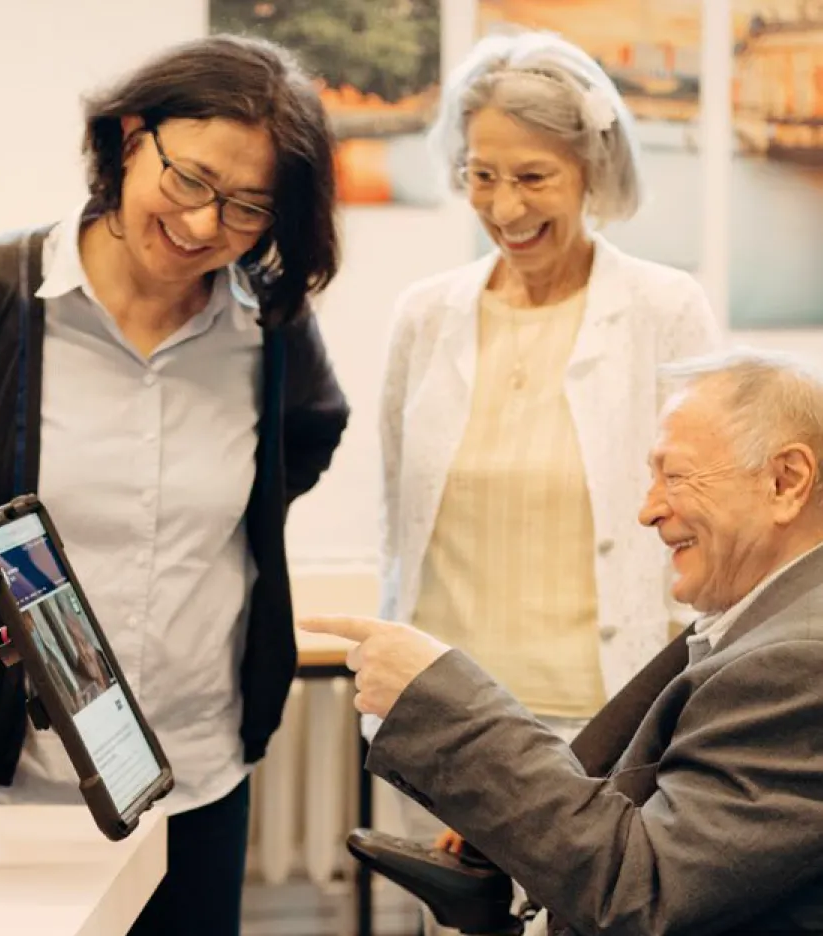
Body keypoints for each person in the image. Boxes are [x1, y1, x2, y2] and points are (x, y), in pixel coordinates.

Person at [0, 34, 348, 936]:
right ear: (131, 137)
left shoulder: (269, 326)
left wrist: (226, 529)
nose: (207, 226)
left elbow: (311, 433)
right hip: (7, 780)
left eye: (250, 207)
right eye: (190, 180)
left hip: (198, 774)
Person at [308, 349, 823, 935]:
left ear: (786, 480)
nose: (648, 510)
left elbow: (644, 892)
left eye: (675, 476)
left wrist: (442, 703)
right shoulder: (758, 620)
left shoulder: (800, 660)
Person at [374, 30, 722, 884]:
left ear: (592, 171)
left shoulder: (663, 309)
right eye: (481, 175)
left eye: (533, 177)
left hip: (604, 718)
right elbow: (399, 511)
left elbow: (715, 513)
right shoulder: (426, 316)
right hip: (446, 715)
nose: (504, 206)